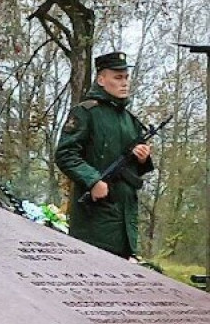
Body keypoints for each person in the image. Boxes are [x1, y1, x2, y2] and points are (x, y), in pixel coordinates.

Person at [55, 51, 154, 260]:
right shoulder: (86, 112)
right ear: (101, 79)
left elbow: (134, 169)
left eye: (126, 77)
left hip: (125, 221)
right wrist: (93, 181)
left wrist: (142, 158)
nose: (124, 83)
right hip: (94, 221)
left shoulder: (130, 120)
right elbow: (65, 154)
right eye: (117, 77)